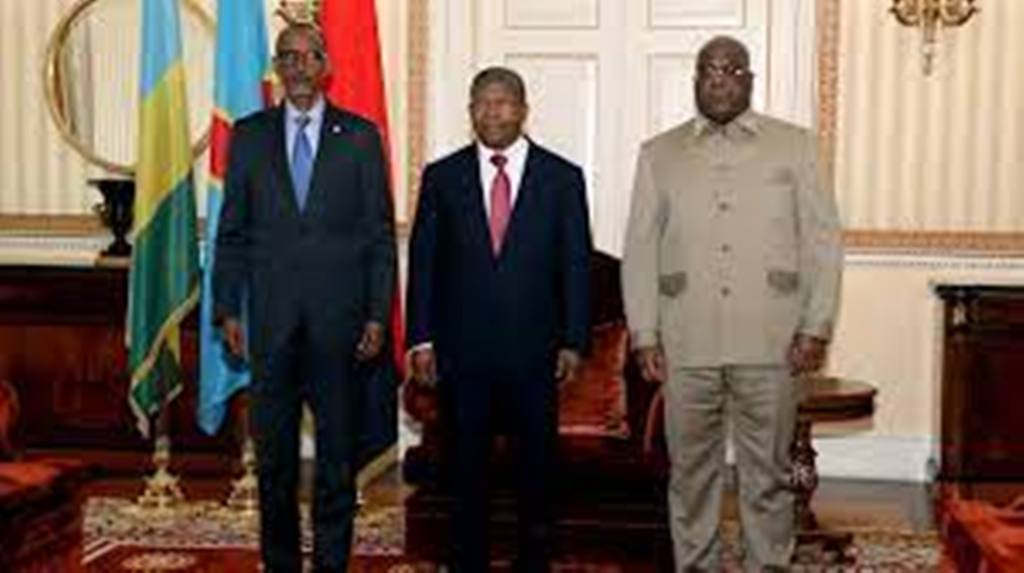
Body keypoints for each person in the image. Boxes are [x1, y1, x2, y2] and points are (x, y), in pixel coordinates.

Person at [621, 36, 843, 572]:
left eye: (729, 70)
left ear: (749, 80)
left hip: (771, 341)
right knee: (690, 475)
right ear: (696, 81)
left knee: (766, 476)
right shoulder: (659, 154)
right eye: (707, 71)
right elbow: (640, 248)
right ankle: (695, 565)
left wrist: (815, 325)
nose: (717, 80)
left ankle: (768, 565)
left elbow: (823, 242)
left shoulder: (795, 147)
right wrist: (645, 333)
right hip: (685, 341)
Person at [212, 23, 396, 573]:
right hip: (270, 326)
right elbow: (232, 233)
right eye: (287, 57)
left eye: (309, 56)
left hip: (340, 327)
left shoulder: (359, 137)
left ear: (326, 66)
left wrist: (377, 314)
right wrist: (227, 308)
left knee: (337, 462)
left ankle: (332, 563)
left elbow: (379, 236)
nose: (298, 67)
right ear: (276, 67)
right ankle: (282, 564)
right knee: (275, 465)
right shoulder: (249, 136)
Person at [406, 66, 592, 572]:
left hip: (536, 356)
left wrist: (574, 340)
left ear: (523, 110)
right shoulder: (442, 177)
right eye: (481, 103)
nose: (492, 111)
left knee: (537, 476)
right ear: (470, 111)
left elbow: (575, 265)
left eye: (503, 101)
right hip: (462, 356)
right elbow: (424, 263)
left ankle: (534, 562)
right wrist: (420, 339)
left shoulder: (562, 178)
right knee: (466, 474)